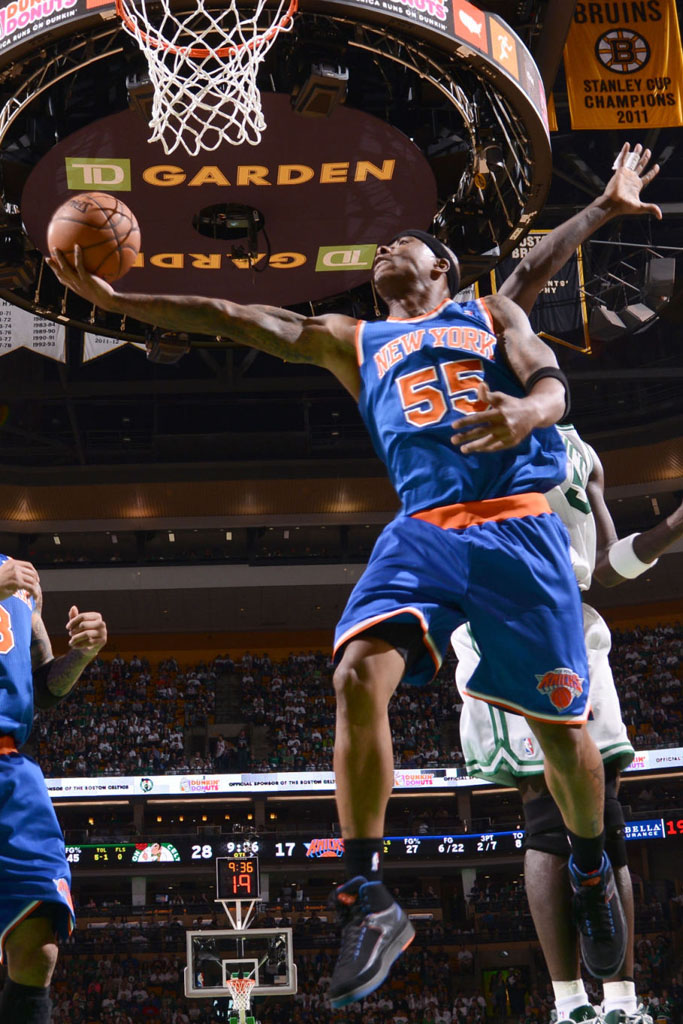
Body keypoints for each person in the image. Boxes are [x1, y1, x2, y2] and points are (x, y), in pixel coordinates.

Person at [49, 185, 616, 1008]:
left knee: (561, 737)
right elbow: (231, 314)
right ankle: (368, 891)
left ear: (441, 267)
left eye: (405, 244)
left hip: (516, 526)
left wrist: (527, 413)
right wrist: (114, 298)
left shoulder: (489, 313)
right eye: (379, 248)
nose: (386, 251)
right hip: (424, 526)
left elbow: (554, 389)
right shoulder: (353, 338)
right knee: (354, 667)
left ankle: (591, 867)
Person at [452, 144, 673, 1024]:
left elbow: (611, 566)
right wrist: (603, 213)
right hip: (509, 615)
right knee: (547, 819)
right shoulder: (477, 383)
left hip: (577, 623)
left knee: (605, 818)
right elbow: (525, 277)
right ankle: (567, 997)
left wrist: (673, 529)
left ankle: (619, 996)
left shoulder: (578, 451)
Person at [0, 554, 107, 1024]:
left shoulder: (20, 574)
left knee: (39, 948)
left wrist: (80, 655)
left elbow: (43, 685)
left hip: (12, 771)